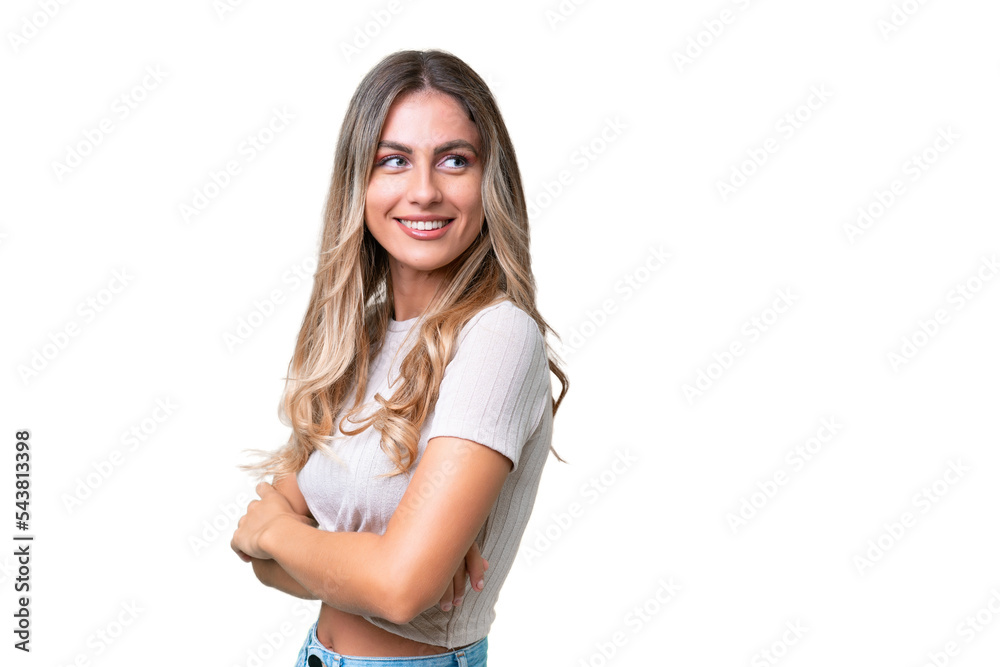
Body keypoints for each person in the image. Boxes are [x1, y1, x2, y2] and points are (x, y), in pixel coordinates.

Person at [231, 48, 568, 666]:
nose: (424, 191)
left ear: (489, 181)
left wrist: (280, 533)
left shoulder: (497, 337)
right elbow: (260, 562)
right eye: (394, 160)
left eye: (454, 160)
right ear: (358, 183)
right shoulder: (358, 338)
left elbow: (398, 588)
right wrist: (367, 560)